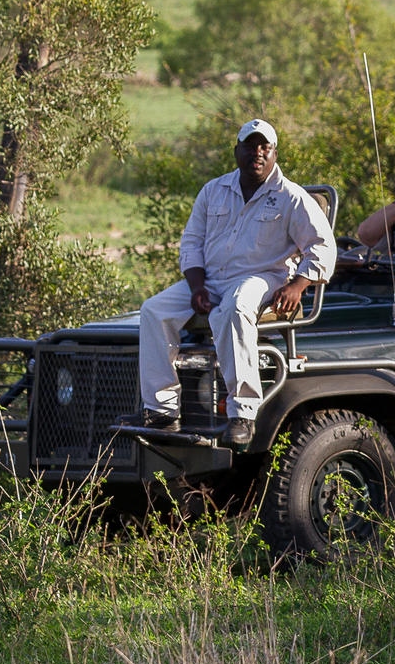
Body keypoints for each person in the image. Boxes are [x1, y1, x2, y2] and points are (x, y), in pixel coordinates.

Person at [136, 119, 336, 446]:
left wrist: (298, 285)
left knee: (234, 306)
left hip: (262, 279)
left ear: (273, 153)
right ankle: (163, 411)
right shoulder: (213, 190)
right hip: (211, 279)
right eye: (250, 146)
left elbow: (323, 247)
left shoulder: (292, 197)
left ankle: (242, 412)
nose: (256, 153)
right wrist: (197, 286)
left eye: (264, 147)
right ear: (236, 151)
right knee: (153, 311)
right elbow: (191, 243)